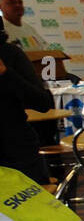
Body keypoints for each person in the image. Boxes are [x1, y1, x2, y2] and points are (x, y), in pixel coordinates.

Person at [0, 27, 54, 183]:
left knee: (37, 205)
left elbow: (43, 103)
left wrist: (6, 73)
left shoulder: (10, 53)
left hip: (16, 153)